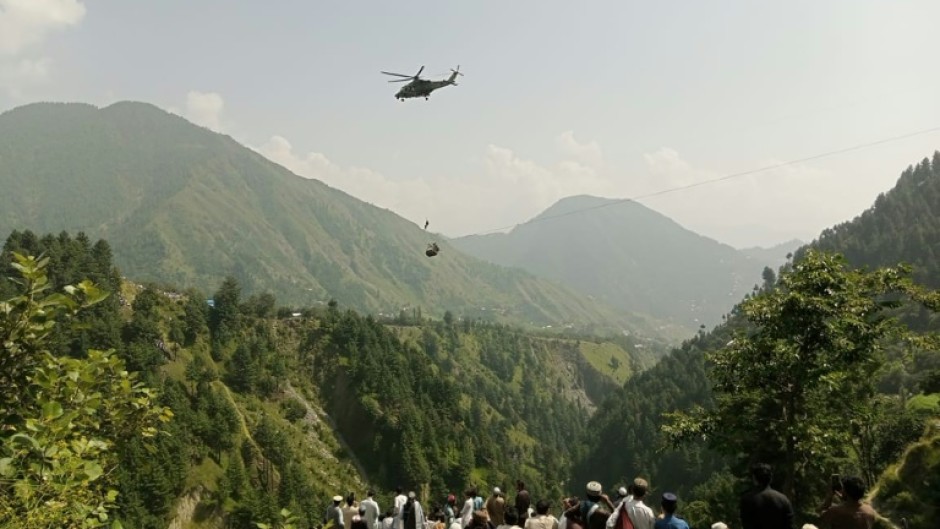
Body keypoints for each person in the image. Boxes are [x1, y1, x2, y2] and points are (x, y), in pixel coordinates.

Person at [739, 463, 794, 529]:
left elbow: (746, 524)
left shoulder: (747, 500)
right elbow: (789, 525)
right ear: (770, 479)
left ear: (754, 478)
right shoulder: (783, 499)